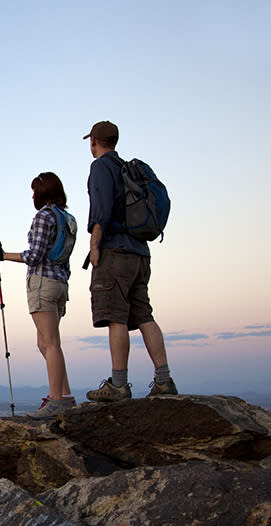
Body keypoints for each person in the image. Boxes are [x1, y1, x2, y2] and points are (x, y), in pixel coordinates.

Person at [83, 120, 178, 400]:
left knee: (115, 316)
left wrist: (95, 246)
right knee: (144, 315)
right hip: (140, 253)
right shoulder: (128, 168)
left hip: (116, 251)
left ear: (94, 142)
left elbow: (101, 210)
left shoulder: (101, 167)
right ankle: (164, 379)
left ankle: (119, 384)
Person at [0, 171, 76, 418]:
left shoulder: (43, 217)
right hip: (60, 283)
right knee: (47, 343)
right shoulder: (68, 219)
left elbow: (34, 255)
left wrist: (3, 256)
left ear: (41, 193)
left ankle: (57, 400)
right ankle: (64, 395)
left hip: (43, 284)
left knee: (50, 343)